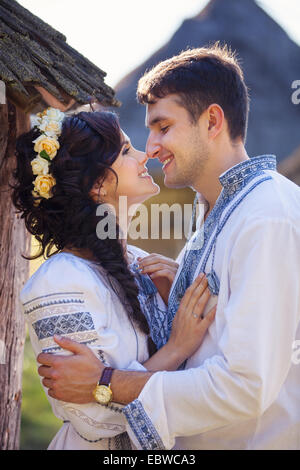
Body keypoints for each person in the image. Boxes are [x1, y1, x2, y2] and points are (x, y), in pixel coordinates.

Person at [37, 44, 300, 450]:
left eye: (163, 127)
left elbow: (245, 386)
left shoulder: (266, 216)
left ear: (212, 120)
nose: (152, 148)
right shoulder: (217, 213)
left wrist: (105, 383)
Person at [13, 108, 216, 450]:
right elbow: (94, 418)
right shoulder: (58, 282)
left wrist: (172, 296)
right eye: (125, 151)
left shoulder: (140, 263)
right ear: (97, 185)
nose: (146, 154)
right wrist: (176, 347)